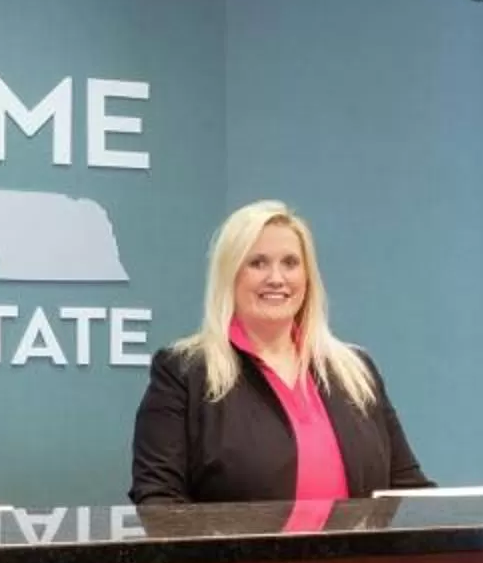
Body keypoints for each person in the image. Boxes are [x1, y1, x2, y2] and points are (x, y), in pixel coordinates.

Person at [129, 200, 431, 505]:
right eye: (258, 263)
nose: (276, 278)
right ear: (230, 275)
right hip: (243, 555)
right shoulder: (183, 372)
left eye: (290, 263)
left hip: (357, 554)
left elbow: (408, 488)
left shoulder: (356, 370)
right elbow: (159, 500)